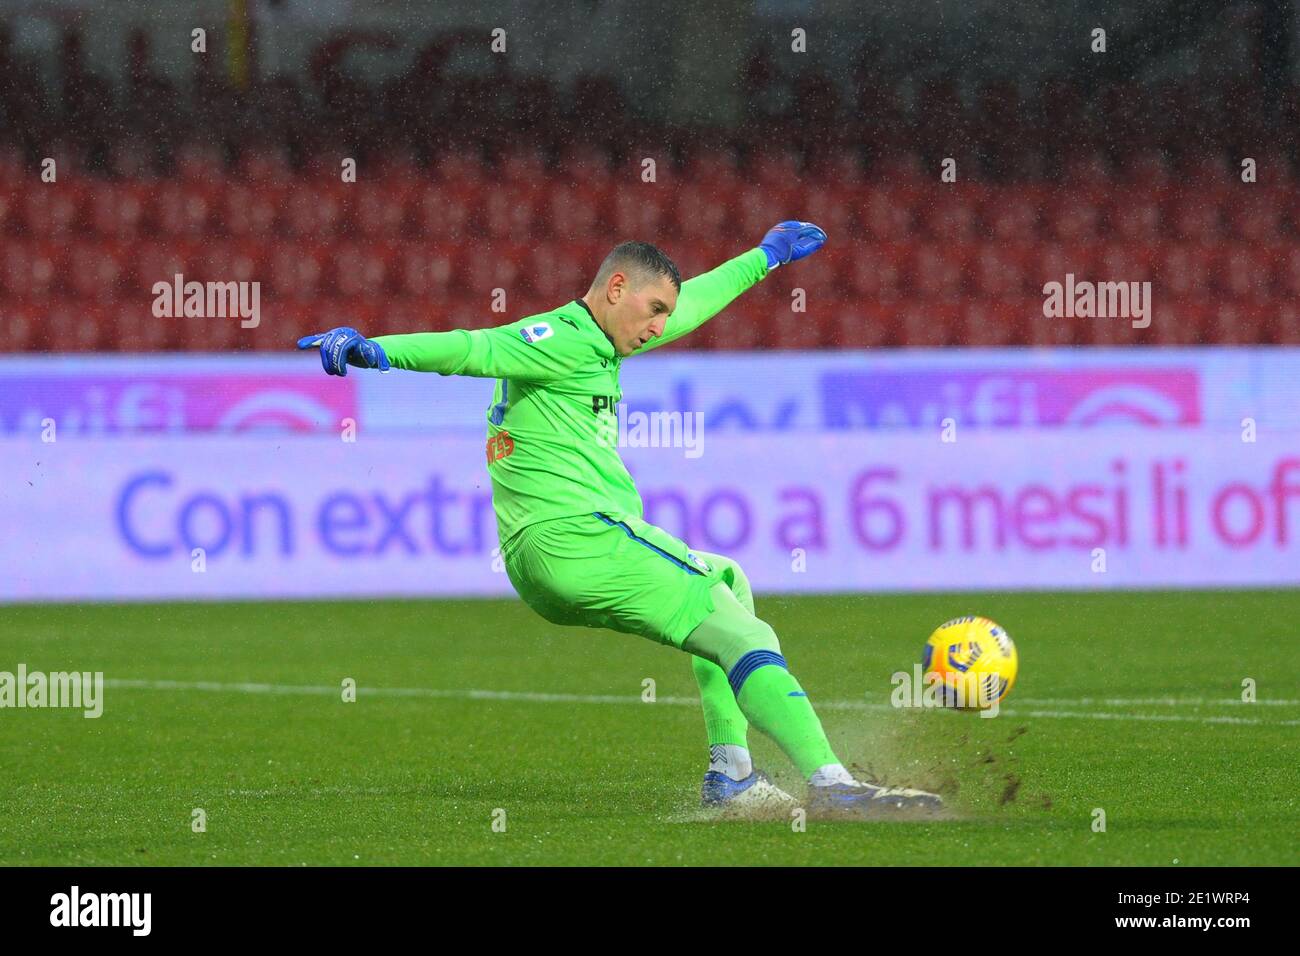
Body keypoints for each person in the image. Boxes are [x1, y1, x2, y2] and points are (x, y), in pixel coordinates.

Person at [298, 222, 941, 817]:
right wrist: (372, 350)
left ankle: (732, 774)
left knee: (728, 581)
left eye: (664, 313)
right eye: (652, 309)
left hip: (546, 560)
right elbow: (476, 348)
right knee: (746, 637)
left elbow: (690, 306)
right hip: (579, 538)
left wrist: (765, 256)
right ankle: (833, 784)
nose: (660, 326)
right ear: (615, 288)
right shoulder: (563, 339)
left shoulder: (599, 345)